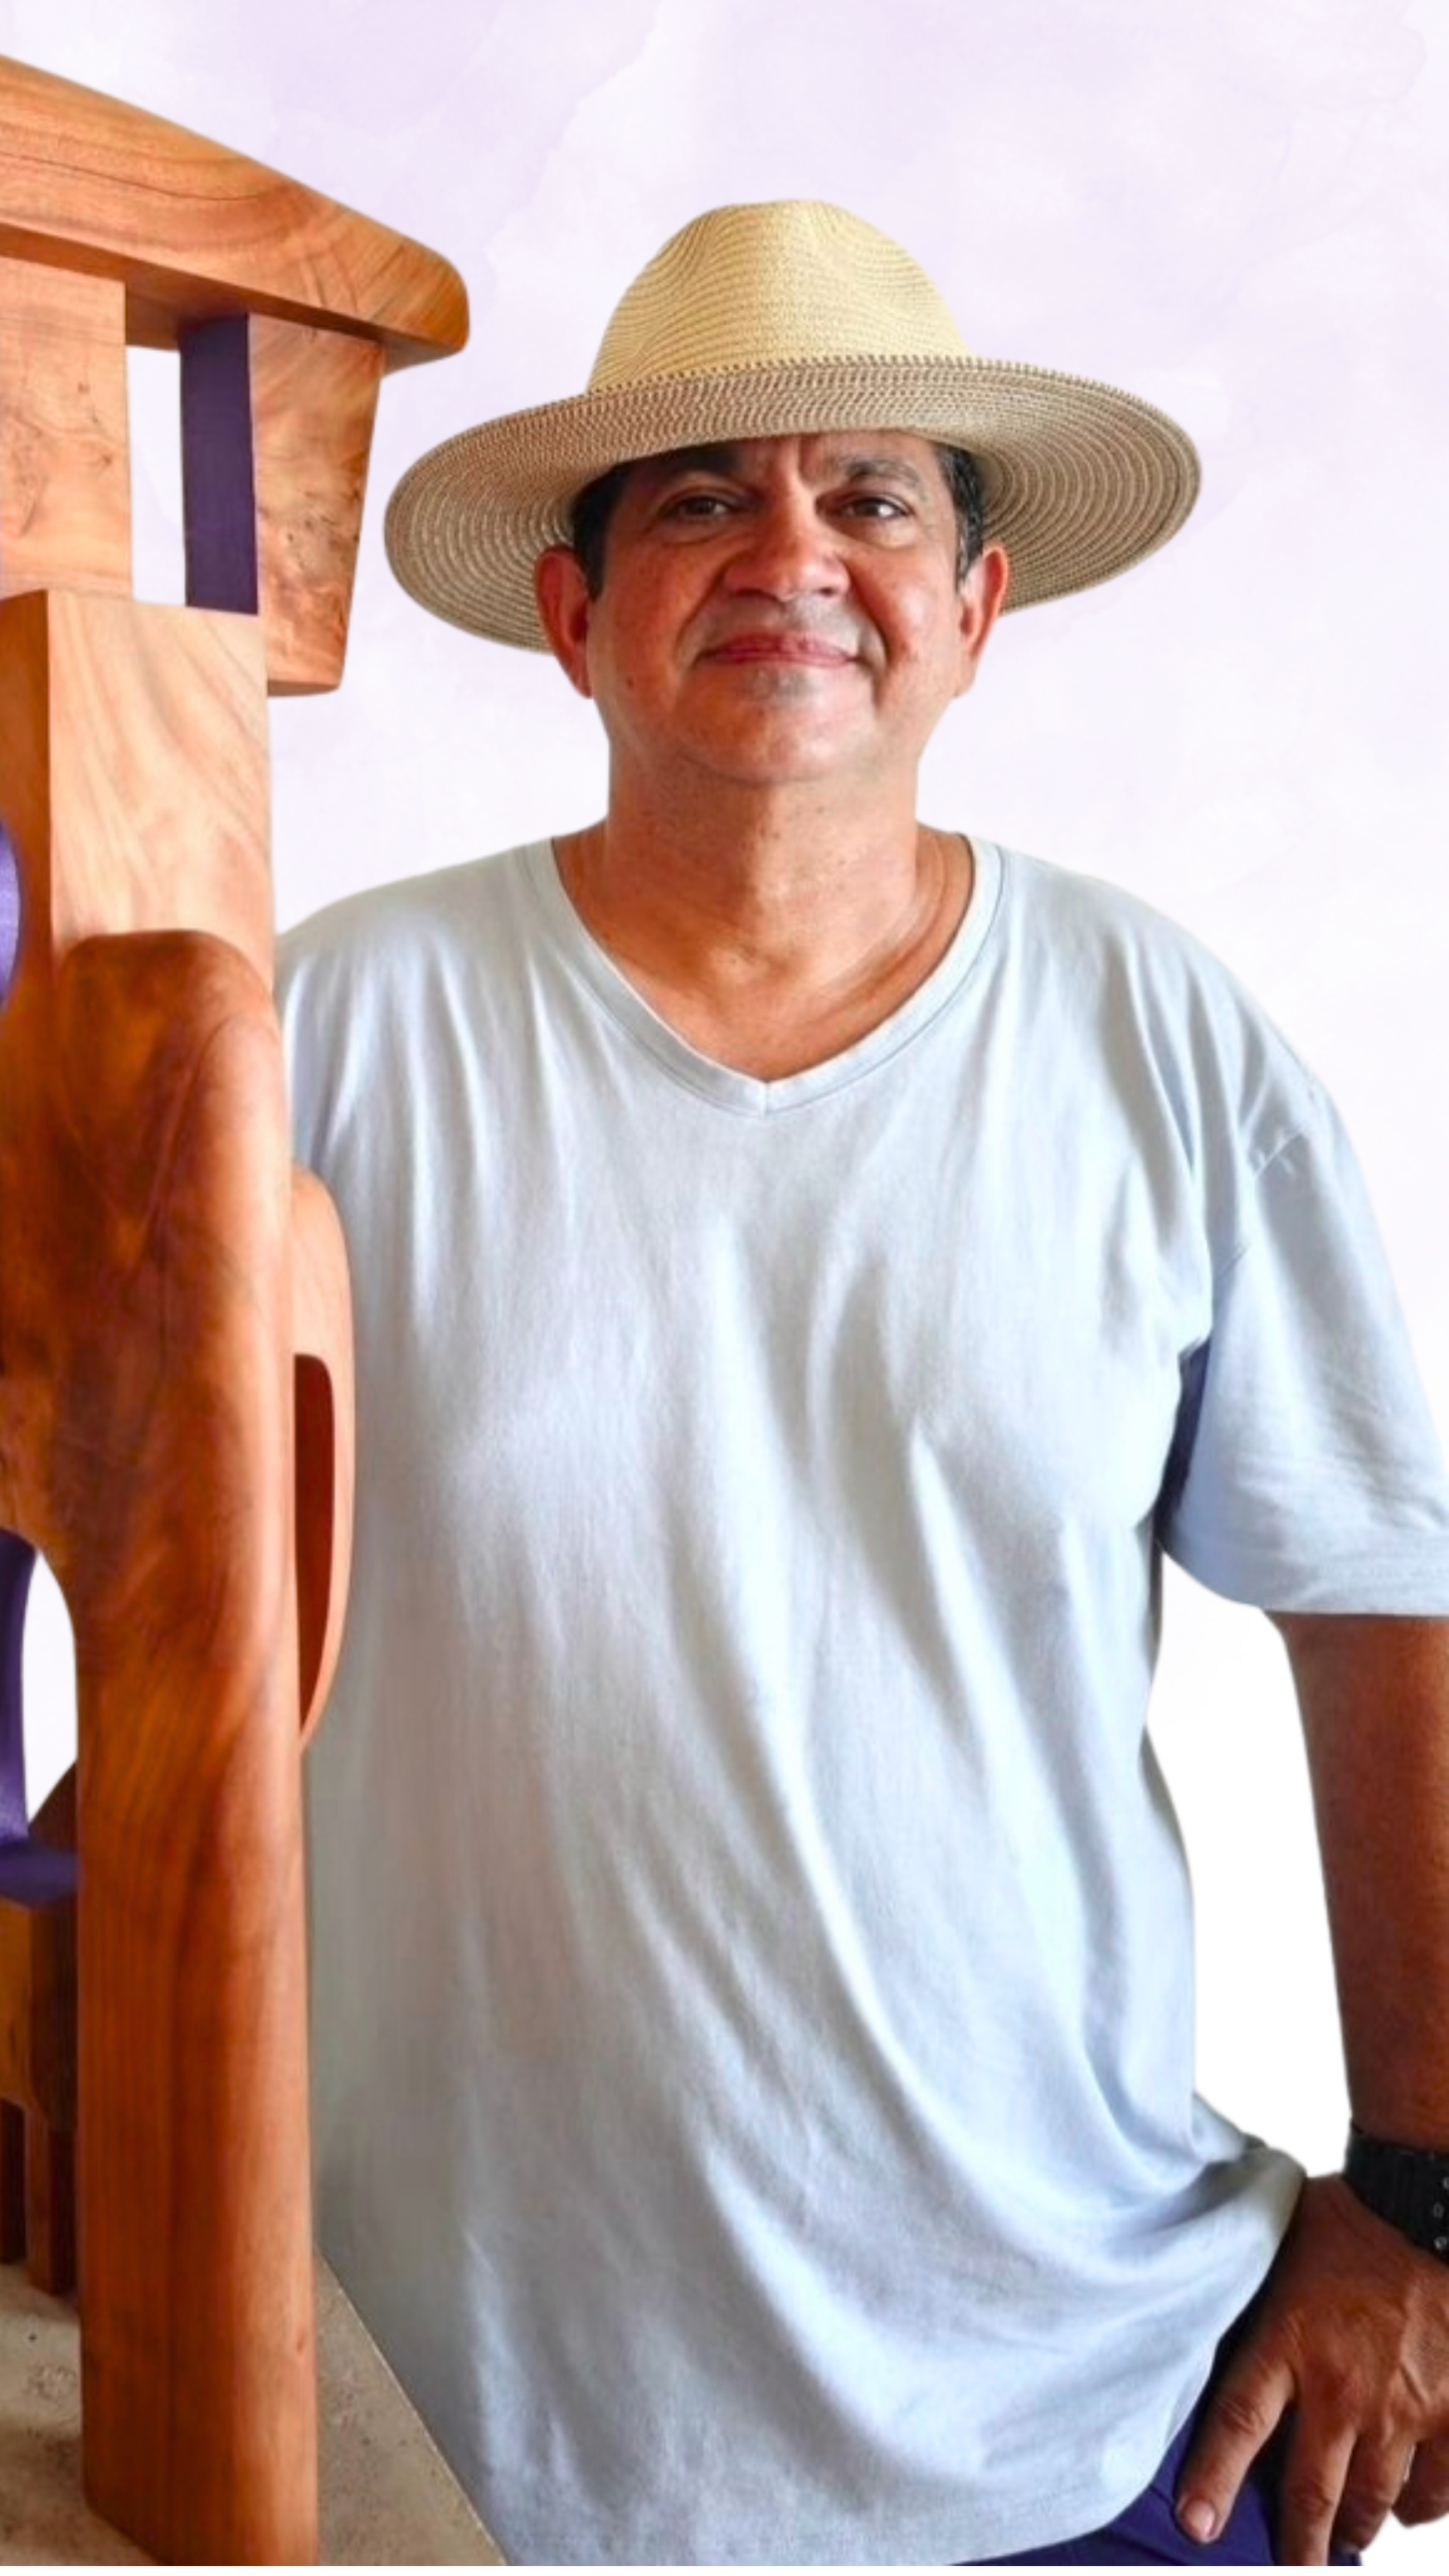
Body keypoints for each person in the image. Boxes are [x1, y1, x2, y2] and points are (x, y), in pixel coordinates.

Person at [277, 197, 1449, 2564]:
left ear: (973, 613)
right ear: (574, 612)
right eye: (701, 495)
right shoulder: (332, 1035)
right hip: (454, 2439)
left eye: (873, 495)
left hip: (1097, 2438)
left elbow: (1383, 1610)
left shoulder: (1160, 1045)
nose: (790, 548)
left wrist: (1426, 2201)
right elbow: (85, 1532)